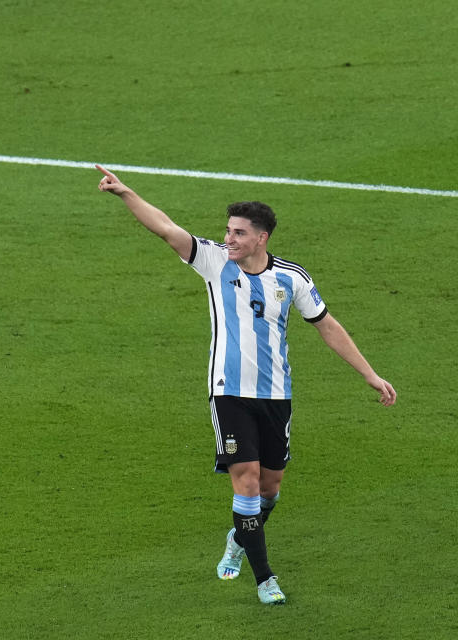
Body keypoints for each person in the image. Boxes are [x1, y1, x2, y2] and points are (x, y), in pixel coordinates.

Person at [95, 165, 396, 605]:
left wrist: (369, 374)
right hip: (229, 393)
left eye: (238, 233)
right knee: (248, 482)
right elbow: (165, 228)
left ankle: (240, 536)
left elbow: (326, 325)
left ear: (261, 237)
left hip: (276, 397)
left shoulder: (292, 278)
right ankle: (264, 578)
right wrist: (125, 193)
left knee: (270, 487)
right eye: (228, 230)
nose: (229, 238)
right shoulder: (215, 262)